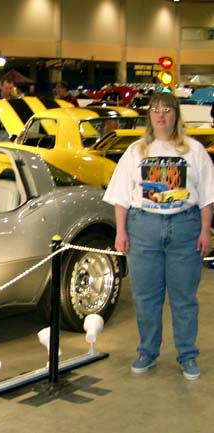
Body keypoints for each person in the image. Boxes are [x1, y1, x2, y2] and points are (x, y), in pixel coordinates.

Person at [103, 92, 214, 381]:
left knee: (184, 298)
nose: (161, 115)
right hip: (144, 229)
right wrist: (121, 232)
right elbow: (121, 197)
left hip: (185, 229)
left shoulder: (194, 150)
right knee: (146, 297)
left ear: (176, 114)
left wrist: (205, 230)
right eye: (155, 110)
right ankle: (147, 352)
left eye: (166, 109)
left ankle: (187, 355)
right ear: (149, 116)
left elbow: (207, 197)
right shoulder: (136, 151)